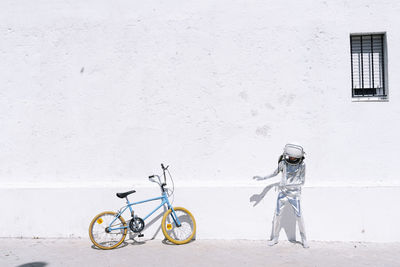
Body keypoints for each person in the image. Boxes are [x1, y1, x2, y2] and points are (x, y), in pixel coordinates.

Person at [253, 144, 309, 248]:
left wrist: (289, 184)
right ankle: (275, 238)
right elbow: (275, 173)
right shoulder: (283, 163)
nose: (292, 159)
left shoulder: (302, 165)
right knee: (277, 215)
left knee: (299, 216)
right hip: (282, 193)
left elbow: (302, 182)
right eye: (291, 156)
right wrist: (263, 178)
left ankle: (304, 239)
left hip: (294, 194)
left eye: (294, 157)